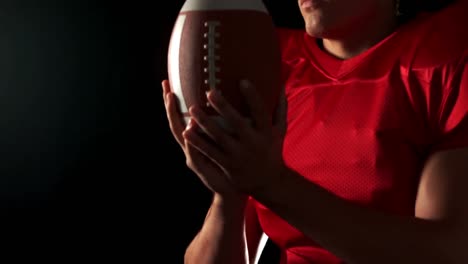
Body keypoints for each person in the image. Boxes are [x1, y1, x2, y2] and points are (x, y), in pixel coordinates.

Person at [162, 0, 468, 263]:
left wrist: (272, 183)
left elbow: (446, 252)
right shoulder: (272, 63)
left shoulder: (444, 57)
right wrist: (229, 194)